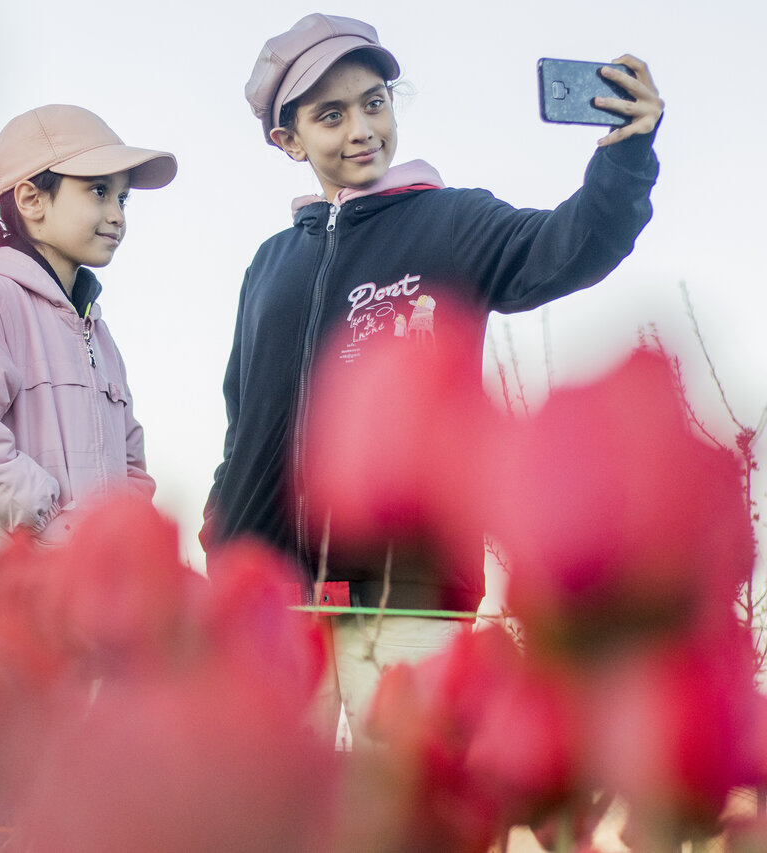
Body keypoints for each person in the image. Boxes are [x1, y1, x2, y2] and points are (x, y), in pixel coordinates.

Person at [200, 13, 662, 743]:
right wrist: (222, 533)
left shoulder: (453, 222)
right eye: (331, 115)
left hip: (412, 600)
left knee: (420, 816)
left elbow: (570, 246)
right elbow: (242, 414)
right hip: (272, 604)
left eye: (375, 103)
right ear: (288, 140)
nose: (361, 129)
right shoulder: (268, 264)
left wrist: (625, 160)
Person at [0, 104, 176, 567]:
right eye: (99, 191)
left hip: (93, 603)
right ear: (32, 199)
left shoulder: (97, 330)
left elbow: (132, 464)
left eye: (122, 198)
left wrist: (128, 544)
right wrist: (52, 520)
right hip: (9, 600)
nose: (117, 215)